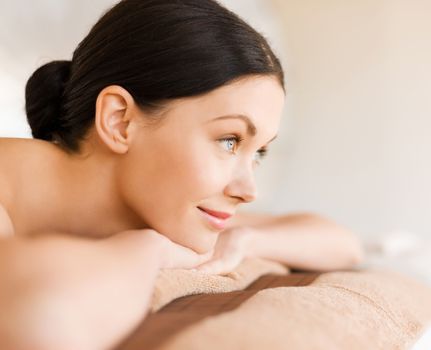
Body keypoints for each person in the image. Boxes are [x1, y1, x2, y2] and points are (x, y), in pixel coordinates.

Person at [0, 0, 363, 349]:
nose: (248, 190)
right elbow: (41, 321)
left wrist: (244, 241)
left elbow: (342, 244)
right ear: (120, 121)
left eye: (259, 153)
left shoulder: (146, 201)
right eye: (229, 140)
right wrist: (147, 251)